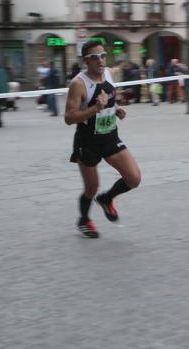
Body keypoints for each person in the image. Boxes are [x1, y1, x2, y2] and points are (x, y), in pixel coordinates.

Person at [65, 40, 142, 239]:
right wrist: (95, 109)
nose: (100, 60)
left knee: (134, 179)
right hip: (87, 142)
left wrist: (116, 110)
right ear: (85, 61)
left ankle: (107, 199)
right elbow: (69, 118)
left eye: (103, 55)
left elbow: (109, 99)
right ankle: (84, 219)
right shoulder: (78, 84)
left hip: (109, 137)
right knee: (91, 187)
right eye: (94, 57)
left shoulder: (107, 73)